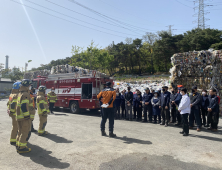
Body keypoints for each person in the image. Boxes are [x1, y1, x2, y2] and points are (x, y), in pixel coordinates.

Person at [16, 79, 32, 153]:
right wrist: (27, 116)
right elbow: (23, 106)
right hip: (23, 117)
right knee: (24, 132)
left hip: (19, 116)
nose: (30, 86)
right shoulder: (25, 94)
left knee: (20, 132)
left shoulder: (20, 93)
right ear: (27, 85)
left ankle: (18, 145)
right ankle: (22, 148)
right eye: (29, 85)